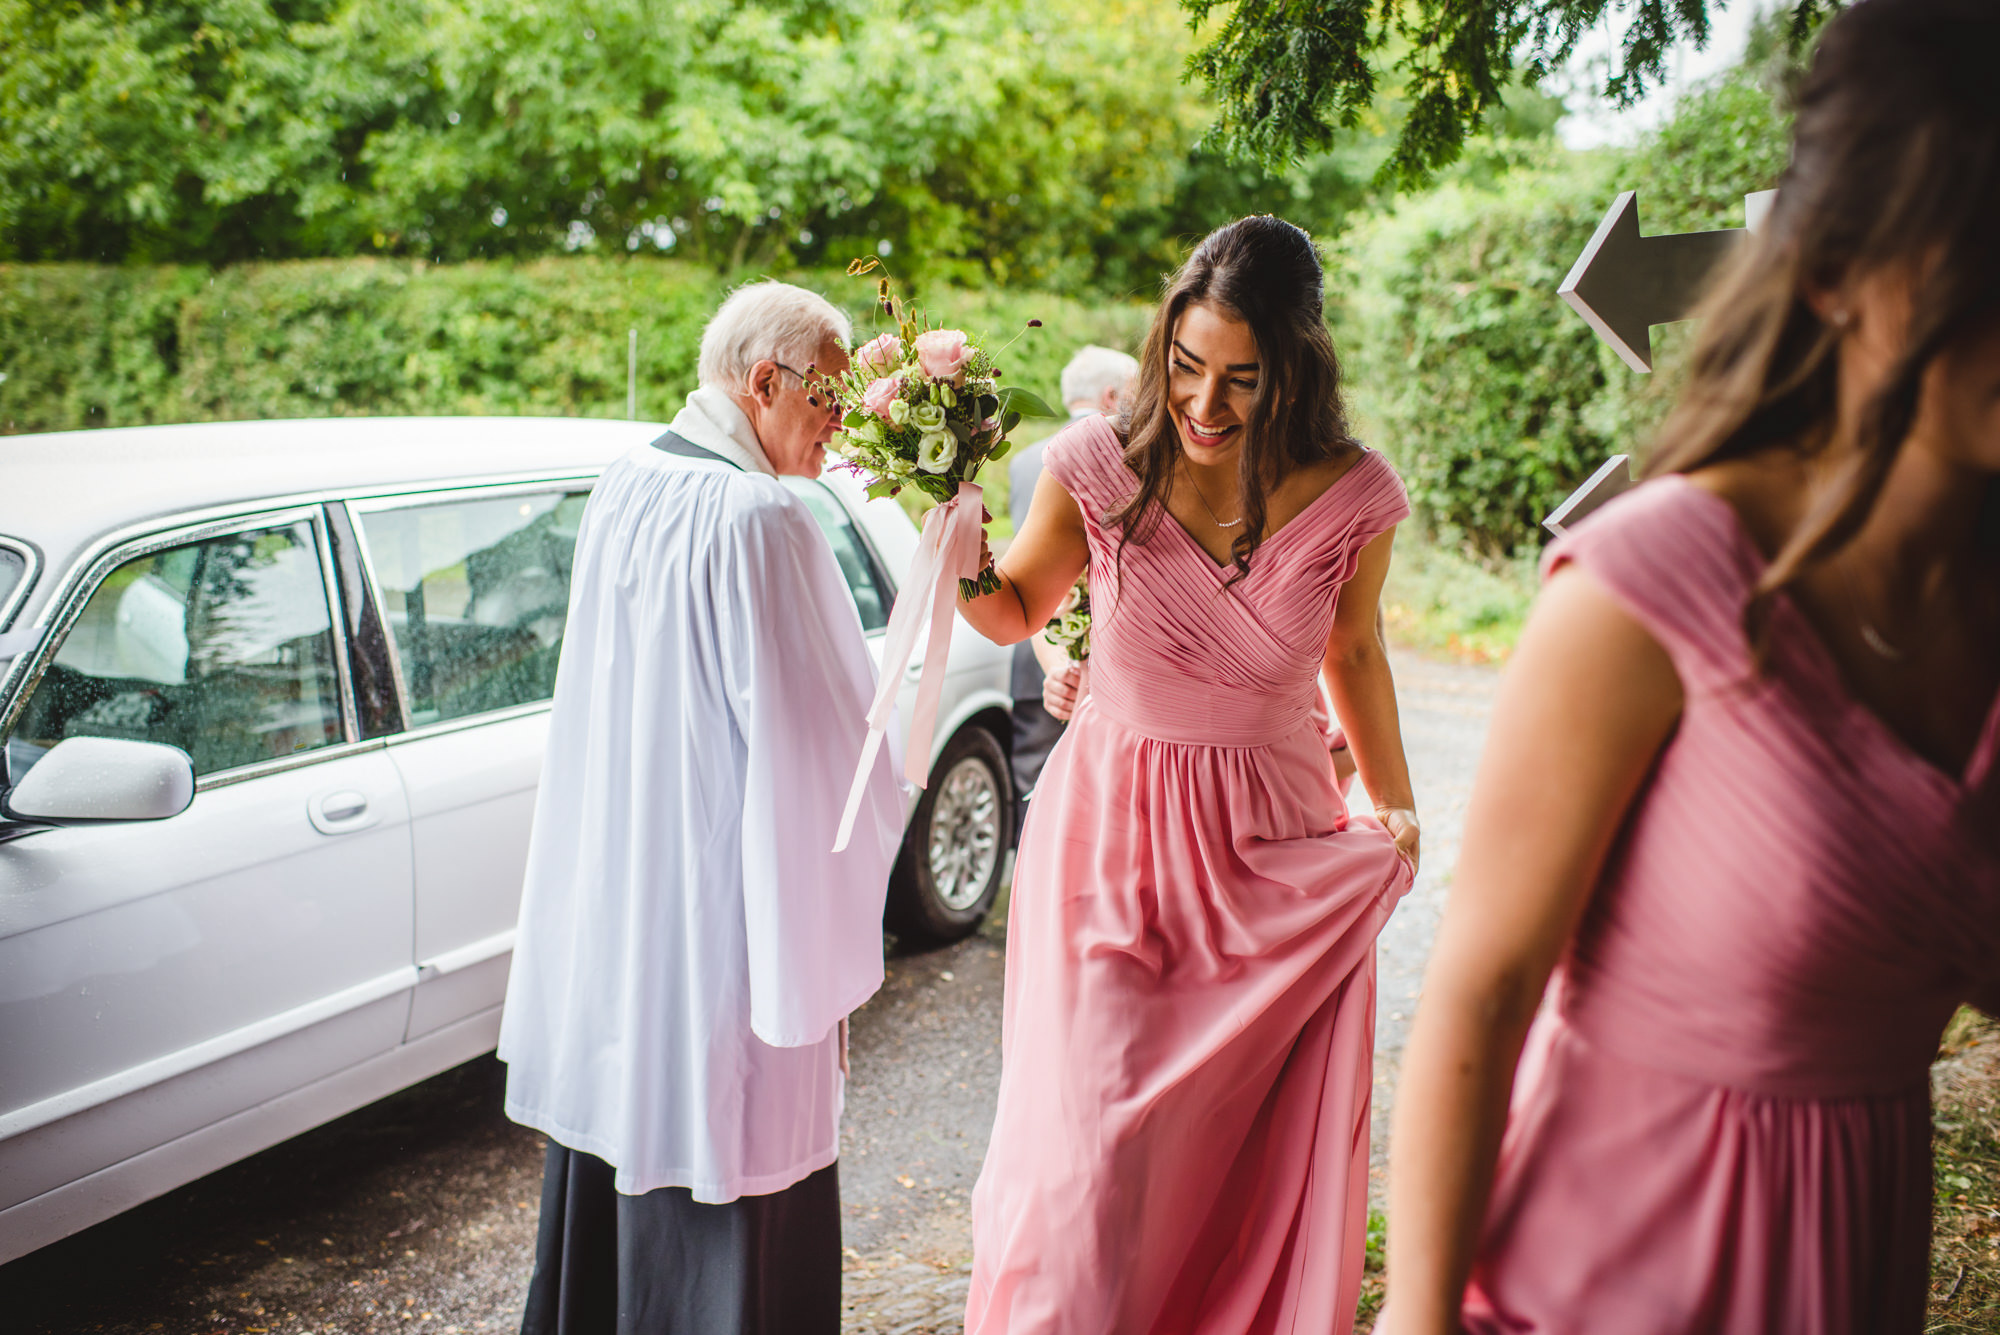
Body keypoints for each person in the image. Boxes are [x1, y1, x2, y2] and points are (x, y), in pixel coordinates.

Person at [1382, 2, 2000, 1331]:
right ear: (1837, 267)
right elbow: (1483, 984)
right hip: (1597, 1282)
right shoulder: (1654, 583)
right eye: (1983, 250)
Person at [958, 215, 1422, 1333]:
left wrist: (1397, 808)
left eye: (1241, 381)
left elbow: (1350, 651)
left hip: (1272, 843)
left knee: (1246, 1162)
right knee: (1091, 1157)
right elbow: (1011, 608)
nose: (1204, 407)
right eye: (1184, 369)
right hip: (1110, 836)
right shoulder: (1094, 465)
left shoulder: (1353, 493)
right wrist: (949, 519)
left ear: (1295, 369)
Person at [496, 281, 905, 1335]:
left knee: (629, 1100)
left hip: (628, 900)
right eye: (827, 394)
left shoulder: (626, 478)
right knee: (725, 1123)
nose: (841, 421)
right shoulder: (761, 515)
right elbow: (825, 750)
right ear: (761, 382)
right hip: (723, 916)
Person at [1006, 344, 1139, 809]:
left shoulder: (1025, 459)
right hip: (1105, 657)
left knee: (1036, 788)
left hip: (1034, 646)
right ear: (1111, 396)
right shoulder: (1131, 458)